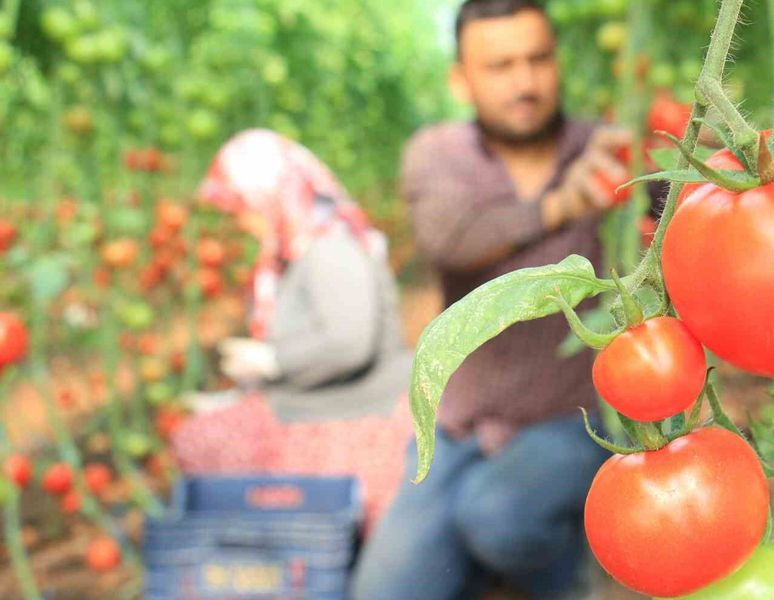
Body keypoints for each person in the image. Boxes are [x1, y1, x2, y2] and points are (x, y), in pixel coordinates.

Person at [351, 1, 642, 598]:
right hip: (460, 425)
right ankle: (504, 559)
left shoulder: (607, 149)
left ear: (557, 62)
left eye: (537, 59)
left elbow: (680, 221)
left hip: (573, 419)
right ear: (462, 78)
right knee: (385, 591)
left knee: (499, 519)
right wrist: (560, 205)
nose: (525, 82)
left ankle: (558, 570)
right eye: (500, 65)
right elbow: (451, 238)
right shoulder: (439, 153)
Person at [172, 129, 414, 530]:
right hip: (327, 401)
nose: (243, 222)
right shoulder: (300, 250)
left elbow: (350, 344)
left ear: (272, 195)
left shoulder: (329, 249)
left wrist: (273, 360)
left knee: (207, 441)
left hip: (358, 409)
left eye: (244, 208)